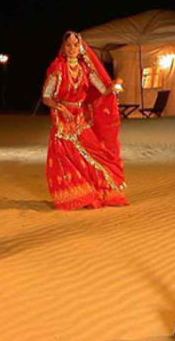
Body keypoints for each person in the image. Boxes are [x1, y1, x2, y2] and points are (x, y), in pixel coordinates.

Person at [42, 31, 128, 210]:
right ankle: (76, 196)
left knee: (93, 154)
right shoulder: (57, 69)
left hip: (80, 118)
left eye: (75, 45)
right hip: (62, 121)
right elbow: (46, 97)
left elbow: (103, 90)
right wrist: (61, 108)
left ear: (81, 47)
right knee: (66, 159)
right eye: (68, 45)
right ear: (63, 48)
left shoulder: (85, 69)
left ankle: (97, 191)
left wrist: (115, 83)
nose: (72, 48)